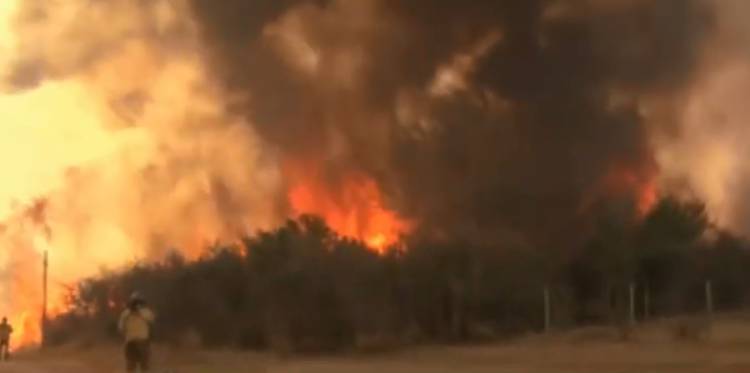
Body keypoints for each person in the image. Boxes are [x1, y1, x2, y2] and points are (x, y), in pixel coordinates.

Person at [118, 292, 156, 372]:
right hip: (142, 341)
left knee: (131, 366)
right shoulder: (146, 312)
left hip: (130, 342)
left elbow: (121, 328)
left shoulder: (125, 313)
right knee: (144, 365)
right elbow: (152, 321)